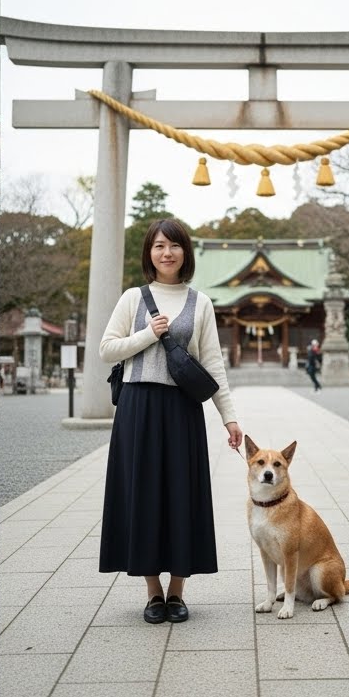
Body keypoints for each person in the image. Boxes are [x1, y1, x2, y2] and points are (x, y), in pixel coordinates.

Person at [99, 218, 242, 624]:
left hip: (182, 410)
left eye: (174, 246)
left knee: (183, 496)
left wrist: (229, 418)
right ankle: (152, 593)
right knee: (142, 496)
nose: (167, 253)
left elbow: (212, 362)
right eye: (159, 246)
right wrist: (147, 334)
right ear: (149, 252)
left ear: (185, 252)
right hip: (138, 406)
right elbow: (107, 350)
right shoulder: (133, 298)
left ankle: (178, 592)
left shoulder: (201, 302)